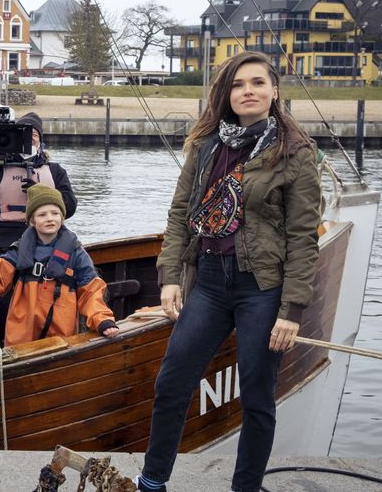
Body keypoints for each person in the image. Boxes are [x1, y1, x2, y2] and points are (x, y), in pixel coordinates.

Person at [136, 52, 320, 492]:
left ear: (275, 92)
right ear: (227, 94)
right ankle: (152, 481)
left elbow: (303, 237)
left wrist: (291, 309)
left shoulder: (295, 152)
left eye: (258, 83)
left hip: (262, 287)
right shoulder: (206, 146)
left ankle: (246, 487)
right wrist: (171, 277)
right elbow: (181, 214)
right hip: (210, 283)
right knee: (172, 381)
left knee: (257, 396)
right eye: (239, 85)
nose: (248, 91)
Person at [0, 184, 119, 347]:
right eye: (42, 214)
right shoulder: (18, 251)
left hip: (61, 337)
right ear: (32, 220)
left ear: (62, 217)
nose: (50, 218)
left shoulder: (76, 253)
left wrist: (103, 321)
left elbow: (91, 292)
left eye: (55, 213)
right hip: (21, 336)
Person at [0, 111, 77, 341]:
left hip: (45, 241)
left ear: (41, 139)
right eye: (25, 133)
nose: (30, 138)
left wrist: (44, 193)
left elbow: (69, 207)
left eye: (34, 135)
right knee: (2, 297)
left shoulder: (55, 171)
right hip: (0, 239)